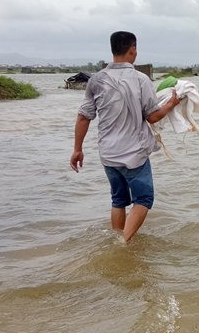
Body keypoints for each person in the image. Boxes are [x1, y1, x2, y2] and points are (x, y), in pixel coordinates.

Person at [69, 31, 180, 243]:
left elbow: (84, 117)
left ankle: (116, 238)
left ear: (113, 50)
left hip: (108, 154)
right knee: (144, 199)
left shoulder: (96, 80)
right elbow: (153, 117)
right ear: (133, 50)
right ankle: (123, 244)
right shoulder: (140, 79)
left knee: (118, 200)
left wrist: (77, 149)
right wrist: (170, 105)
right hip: (134, 155)